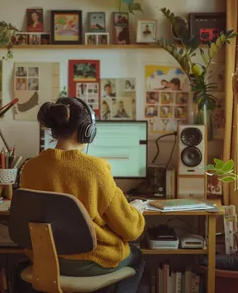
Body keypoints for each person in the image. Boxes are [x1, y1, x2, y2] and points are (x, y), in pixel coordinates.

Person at [20, 97, 146, 293]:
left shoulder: (30, 167)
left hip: (47, 261)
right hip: (91, 261)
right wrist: (136, 210)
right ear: (88, 131)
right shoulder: (96, 169)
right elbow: (131, 230)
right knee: (136, 256)